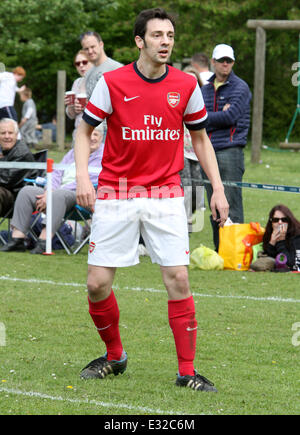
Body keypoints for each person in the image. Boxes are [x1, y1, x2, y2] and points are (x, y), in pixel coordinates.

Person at [75, 8, 229, 392]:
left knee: (178, 278)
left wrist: (219, 189)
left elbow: (200, 139)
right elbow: (83, 130)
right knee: (96, 284)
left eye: (170, 35)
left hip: (166, 193)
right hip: (116, 192)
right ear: (139, 41)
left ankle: (187, 371)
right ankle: (115, 356)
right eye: (157, 35)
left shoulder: (187, 85)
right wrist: (82, 177)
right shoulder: (112, 82)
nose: (165, 42)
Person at [0, 125, 104, 254]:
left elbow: (89, 181)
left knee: (59, 195)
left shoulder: (104, 156)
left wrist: (52, 194)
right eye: (89, 134)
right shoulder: (72, 153)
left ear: (101, 138)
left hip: (83, 197)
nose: (92, 138)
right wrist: (49, 191)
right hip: (56, 193)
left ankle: (44, 241)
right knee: (27, 191)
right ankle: (17, 239)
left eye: (96, 135)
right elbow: (55, 174)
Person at [201, 44, 252, 251]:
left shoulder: (241, 88)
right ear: (212, 62)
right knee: (214, 203)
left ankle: (236, 252)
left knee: (231, 203)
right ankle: (220, 249)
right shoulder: (204, 89)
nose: (225, 64)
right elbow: (194, 118)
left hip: (231, 151)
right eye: (221, 60)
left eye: (229, 61)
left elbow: (229, 117)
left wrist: (206, 118)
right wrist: (215, 117)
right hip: (207, 152)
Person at [180, 66, 205, 226]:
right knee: (186, 183)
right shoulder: (177, 100)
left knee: (198, 186)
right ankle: (185, 216)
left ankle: (192, 210)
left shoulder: (200, 102)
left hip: (196, 150)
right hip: (181, 150)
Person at [0, 118, 35, 218]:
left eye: (10, 133)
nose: (7, 136)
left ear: (16, 135)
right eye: (3, 133)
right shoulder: (7, 151)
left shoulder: (21, 153)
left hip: (21, 199)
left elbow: (5, 180)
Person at [251, 205, 300, 272]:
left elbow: (292, 264)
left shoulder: (297, 235)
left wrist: (281, 241)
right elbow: (271, 258)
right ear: (271, 222)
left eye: (284, 220)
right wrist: (272, 243)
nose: (280, 222)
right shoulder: (270, 233)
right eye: (275, 220)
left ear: (289, 221)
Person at [80, 31, 123, 101]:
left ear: (101, 44)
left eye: (92, 47)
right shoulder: (88, 73)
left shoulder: (116, 68)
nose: (90, 51)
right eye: (86, 49)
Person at [65, 50, 93, 144]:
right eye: (78, 63)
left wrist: (86, 106)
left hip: (94, 135)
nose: (81, 65)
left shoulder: (100, 80)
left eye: (84, 62)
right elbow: (72, 115)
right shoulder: (77, 83)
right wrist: (70, 105)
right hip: (78, 133)